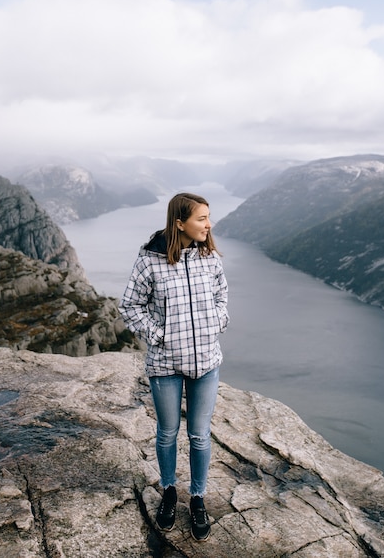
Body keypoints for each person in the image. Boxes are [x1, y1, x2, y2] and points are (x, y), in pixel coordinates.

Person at [118, 192, 229, 541]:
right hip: (166, 363)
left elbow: (221, 296)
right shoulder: (150, 261)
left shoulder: (209, 256)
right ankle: (169, 491)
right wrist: (159, 334)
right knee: (167, 432)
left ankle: (197, 498)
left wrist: (217, 321)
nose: (208, 225)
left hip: (206, 362)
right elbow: (130, 305)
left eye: (209, 217)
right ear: (179, 222)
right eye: (201, 218)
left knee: (199, 435)